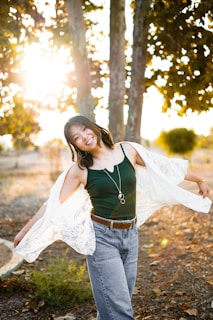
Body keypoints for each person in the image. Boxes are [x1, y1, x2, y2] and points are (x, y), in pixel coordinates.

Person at [14, 115, 211, 320]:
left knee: (113, 305)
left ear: (94, 128)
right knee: (120, 310)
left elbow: (162, 166)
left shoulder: (128, 150)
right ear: (75, 145)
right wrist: (24, 230)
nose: (84, 137)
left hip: (131, 235)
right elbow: (53, 205)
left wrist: (198, 179)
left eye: (85, 129)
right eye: (77, 137)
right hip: (102, 239)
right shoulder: (80, 170)